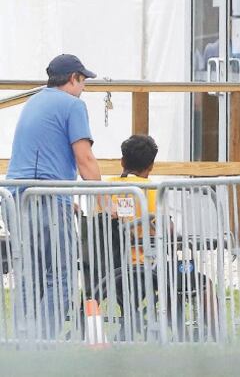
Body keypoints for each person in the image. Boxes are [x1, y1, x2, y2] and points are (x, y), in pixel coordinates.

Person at [8, 54, 101, 338]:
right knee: (60, 276)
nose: (83, 87)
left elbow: (40, 154)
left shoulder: (33, 101)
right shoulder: (73, 105)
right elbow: (84, 159)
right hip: (46, 197)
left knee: (29, 276)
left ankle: (24, 342)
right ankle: (46, 342)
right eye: (83, 81)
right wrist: (105, 197)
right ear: (73, 78)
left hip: (15, 198)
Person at [97, 135, 216, 341]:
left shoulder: (103, 191)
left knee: (169, 278)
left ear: (122, 161)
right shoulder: (152, 190)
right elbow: (167, 231)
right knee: (200, 283)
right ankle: (216, 336)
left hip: (108, 269)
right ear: (151, 166)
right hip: (146, 269)